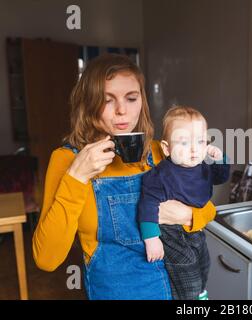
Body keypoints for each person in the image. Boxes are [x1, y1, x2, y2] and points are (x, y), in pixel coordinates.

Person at [32, 53, 217, 300]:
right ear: (88, 103)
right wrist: (77, 177)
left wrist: (188, 215)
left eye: (131, 98)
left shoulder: (157, 152)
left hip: (179, 291)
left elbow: (209, 209)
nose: (122, 111)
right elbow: (46, 259)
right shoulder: (67, 160)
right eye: (108, 100)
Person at [138, 106, 230, 300]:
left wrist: (220, 158)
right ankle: (191, 296)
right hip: (171, 232)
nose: (195, 149)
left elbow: (221, 177)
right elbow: (147, 205)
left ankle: (199, 293)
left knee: (204, 263)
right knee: (186, 269)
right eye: (184, 142)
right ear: (166, 148)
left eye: (200, 141)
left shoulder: (202, 167)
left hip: (195, 228)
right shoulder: (161, 175)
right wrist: (151, 238)